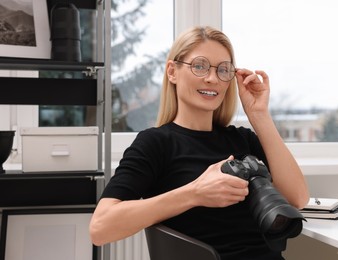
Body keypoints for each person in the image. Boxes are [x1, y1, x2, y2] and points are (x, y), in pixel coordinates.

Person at [89, 26, 309, 259]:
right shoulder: (155, 143)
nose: (212, 78)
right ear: (172, 72)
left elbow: (297, 198)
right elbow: (100, 228)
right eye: (199, 66)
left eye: (223, 70)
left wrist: (259, 115)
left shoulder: (242, 140)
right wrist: (194, 193)